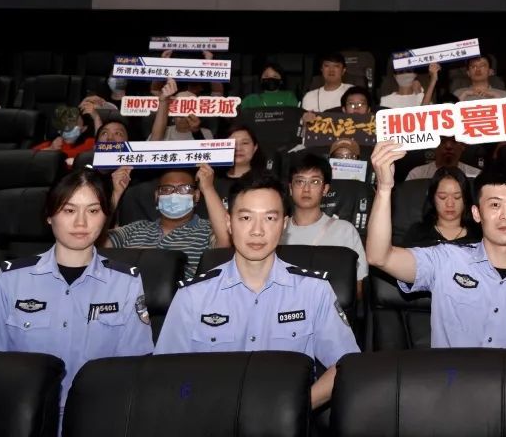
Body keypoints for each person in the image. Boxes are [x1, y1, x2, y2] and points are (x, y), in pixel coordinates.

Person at [154, 172, 359, 410]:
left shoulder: (314, 291)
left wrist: (296, 408)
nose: (257, 231)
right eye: (245, 218)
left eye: (270, 218)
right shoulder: (193, 296)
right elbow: (166, 375)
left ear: (284, 224)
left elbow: (346, 365)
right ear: (229, 222)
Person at [0, 170, 153, 413]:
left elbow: (134, 368)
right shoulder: (11, 279)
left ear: (106, 216)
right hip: (22, 415)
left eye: (93, 211)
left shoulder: (126, 283)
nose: (81, 223)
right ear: (49, 216)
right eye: (69, 210)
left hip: (97, 415)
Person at [367, 141, 506, 351]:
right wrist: (384, 188)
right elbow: (379, 257)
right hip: (451, 372)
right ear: (476, 213)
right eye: (495, 205)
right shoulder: (446, 260)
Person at [105, 166, 230, 279]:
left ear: (196, 196)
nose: (174, 195)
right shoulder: (134, 229)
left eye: (184, 189)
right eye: (166, 189)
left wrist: (208, 188)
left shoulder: (207, 230)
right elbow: (99, 241)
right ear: (156, 196)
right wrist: (116, 193)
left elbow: (225, 239)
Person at [282, 153, 368, 298]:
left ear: (325, 189)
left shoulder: (345, 230)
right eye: (300, 181)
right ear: (290, 188)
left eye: (315, 182)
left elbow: (358, 286)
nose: (306, 189)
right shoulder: (277, 230)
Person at [401, 166, 482, 246]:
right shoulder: (417, 233)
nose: (450, 204)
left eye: (457, 197)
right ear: (433, 198)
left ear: (465, 199)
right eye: (442, 197)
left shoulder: (479, 235)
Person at [32, 106, 96, 166]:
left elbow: (101, 161)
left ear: (83, 129)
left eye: (75, 123)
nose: (68, 126)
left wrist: (96, 118)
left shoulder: (89, 143)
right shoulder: (51, 144)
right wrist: (51, 149)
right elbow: (30, 159)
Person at [405, 135, 481, 180]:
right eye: (442, 140)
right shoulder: (417, 175)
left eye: (454, 141)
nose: (448, 146)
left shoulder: (476, 175)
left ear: (463, 146)